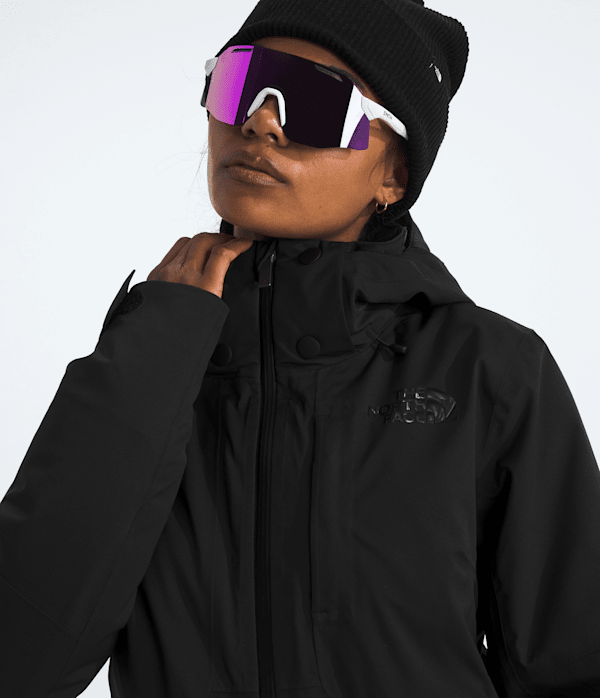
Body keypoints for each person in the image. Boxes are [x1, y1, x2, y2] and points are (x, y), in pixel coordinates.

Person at [1, 1, 599, 697]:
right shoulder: (155, 354)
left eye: (315, 102)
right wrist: (153, 352)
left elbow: (575, 668)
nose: (261, 122)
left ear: (394, 175)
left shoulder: (488, 368)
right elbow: (22, 663)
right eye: (238, 85)